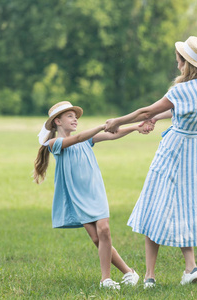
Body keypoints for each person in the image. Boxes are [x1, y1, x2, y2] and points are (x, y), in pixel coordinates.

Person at [104, 36, 197, 288]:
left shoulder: (181, 90)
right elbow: (186, 110)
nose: (177, 66)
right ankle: (191, 267)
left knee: (152, 206)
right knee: (185, 209)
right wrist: (159, 117)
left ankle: (150, 276)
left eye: (179, 62)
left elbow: (145, 111)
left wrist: (118, 121)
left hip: (174, 153)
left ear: (187, 64)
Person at [33, 101, 152, 289]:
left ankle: (105, 279)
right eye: (70, 116)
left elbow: (113, 135)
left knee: (104, 230)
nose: (75, 120)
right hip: (77, 196)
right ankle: (129, 272)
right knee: (97, 239)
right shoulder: (54, 143)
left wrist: (135, 127)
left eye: (76, 117)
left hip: (94, 190)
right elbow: (79, 137)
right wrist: (102, 125)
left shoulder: (88, 140)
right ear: (57, 121)